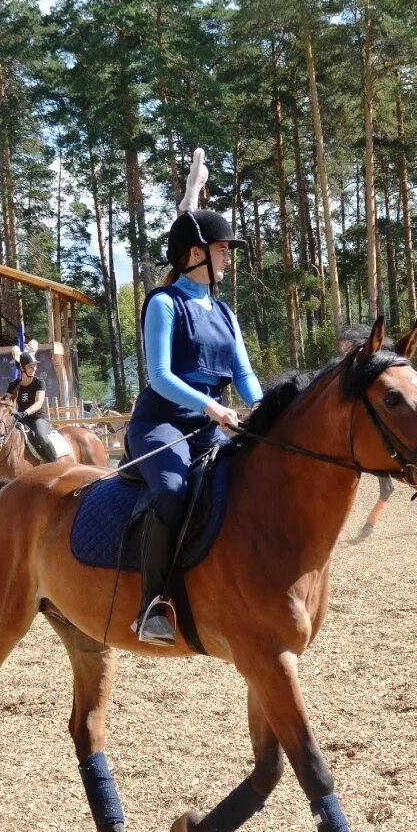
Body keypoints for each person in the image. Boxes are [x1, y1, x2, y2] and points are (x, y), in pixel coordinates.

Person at [127, 149, 262, 647]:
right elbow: (159, 375)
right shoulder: (164, 304)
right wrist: (212, 407)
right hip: (162, 425)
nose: (228, 256)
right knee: (173, 490)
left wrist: (265, 413)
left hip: (213, 424)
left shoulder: (225, 312)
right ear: (196, 253)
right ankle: (153, 605)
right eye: (223, 249)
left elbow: (244, 374)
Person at [4, 351, 59, 463]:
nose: (34, 369)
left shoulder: (39, 382)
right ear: (22, 368)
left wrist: (23, 413)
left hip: (38, 418)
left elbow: (38, 404)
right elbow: (6, 402)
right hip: (21, 419)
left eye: (35, 366)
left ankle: (55, 463)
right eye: (30, 366)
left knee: (41, 436)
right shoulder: (13, 385)